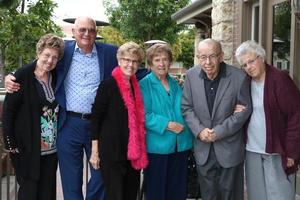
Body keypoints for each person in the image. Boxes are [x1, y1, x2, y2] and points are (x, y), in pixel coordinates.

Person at [5, 16, 118, 200]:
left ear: (96, 33)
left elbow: (133, 65)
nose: (86, 33)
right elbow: (41, 61)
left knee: (101, 174)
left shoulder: (110, 52)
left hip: (99, 126)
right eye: (82, 29)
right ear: (73, 32)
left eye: (91, 30)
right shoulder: (65, 50)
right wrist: (12, 75)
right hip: (68, 124)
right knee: (70, 178)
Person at [181, 38, 252, 200]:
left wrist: (219, 132)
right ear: (198, 57)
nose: (207, 62)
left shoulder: (239, 77)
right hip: (203, 148)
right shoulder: (191, 76)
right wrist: (199, 131)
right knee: (208, 195)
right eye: (202, 57)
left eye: (212, 56)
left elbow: (245, 110)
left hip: (229, 148)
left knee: (230, 195)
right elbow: (186, 107)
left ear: (221, 56)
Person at [2, 34, 64, 200]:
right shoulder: (21, 76)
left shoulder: (56, 76)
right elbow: (8, 111)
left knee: (47, 193)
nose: (50, 60)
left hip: (51, 149)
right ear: (39, 52)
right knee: (29, 192)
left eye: (55, 57)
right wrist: (9, 142)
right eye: (47, 55)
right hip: (27, 147)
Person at [235, 40, 300, 200]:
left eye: (251, 61)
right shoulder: (245, 82)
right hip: (252, 149)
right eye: (244, 65)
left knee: (280, 195)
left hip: (277, 149)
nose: (249, 67)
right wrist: (236, 109)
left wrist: (292, 151)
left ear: (261, 57)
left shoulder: (280, 79)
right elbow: (243, 106)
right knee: (257, 195)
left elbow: (296, 116)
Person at [89, 41, 148, 200]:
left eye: (135, 61)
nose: (131, 64)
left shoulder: (136, 87)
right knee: (115, 195)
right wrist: (95, 152)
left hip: (132, 152)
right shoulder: (108, 84)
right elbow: (96, 118)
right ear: (119, 61)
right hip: (112, 152)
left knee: (130, 194)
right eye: (127, 60)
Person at [139, 43, 193, 200]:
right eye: (157, 60)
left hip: (180, 144)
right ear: (150, 64)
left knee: (177, 190)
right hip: (158, 147)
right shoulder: (144, 85)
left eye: (165, 59)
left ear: (170, 62)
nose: (161, 63)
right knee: (157, 191)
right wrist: (167, 124)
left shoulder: (176, 83)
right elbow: (144, 114)